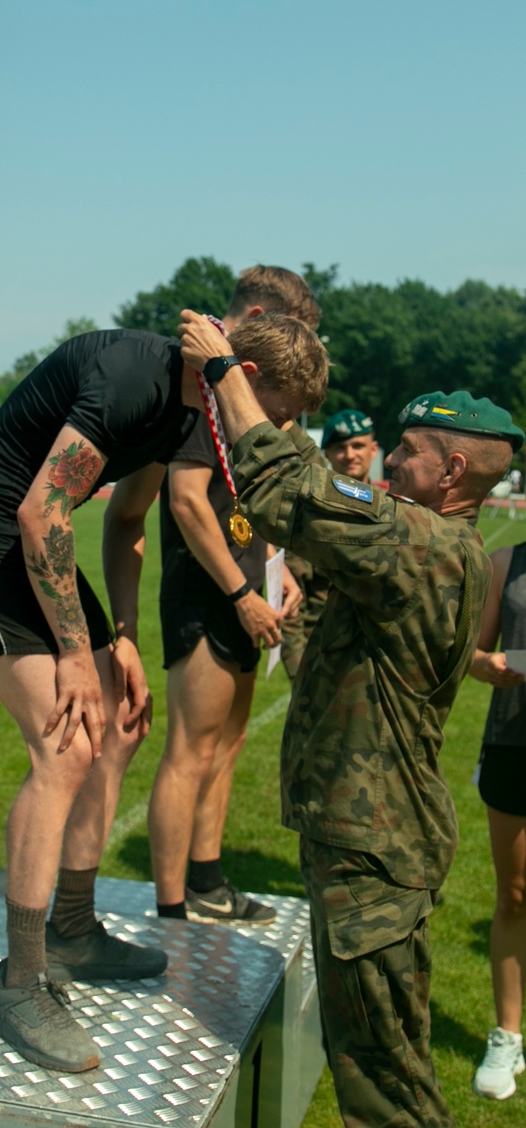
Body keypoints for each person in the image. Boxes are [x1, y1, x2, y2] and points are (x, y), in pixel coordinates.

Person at [176, 306, 523, 1128]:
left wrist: (226, 369)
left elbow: (286, 488)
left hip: (377, 850)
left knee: (385, 1086)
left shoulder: (427, 544)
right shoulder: (428, 548)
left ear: (455, 470)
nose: (388, 462)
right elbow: (318, 632)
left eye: (406, 452)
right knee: (370, 1060)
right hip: (367, 839)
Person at [0, 328, 206, 1073]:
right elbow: (39, 512)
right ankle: (20, 982)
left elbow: (124, 521)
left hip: (32, 544)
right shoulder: (136, 379)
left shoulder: (193, 411)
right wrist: (75, 656)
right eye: (264, 409)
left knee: (116, 721)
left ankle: (75, 930)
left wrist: (121, 638)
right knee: (65, 743)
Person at [143, 307, 327, 927]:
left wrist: (279, 574)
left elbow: (255, 507)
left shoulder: (250, 423)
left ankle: (209, 881)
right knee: (189, 751)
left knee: (227, 745)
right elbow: (189, 503)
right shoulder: (204, 405)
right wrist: (241, 595)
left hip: (248, 598)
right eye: (283, 405)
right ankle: (172, 908)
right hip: (207, 598)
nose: (286, 421)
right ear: (249, 375)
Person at [467, 544, 526, 1099]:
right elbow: (473, 653)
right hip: (513, 743)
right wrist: (491, 666)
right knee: (514, 895)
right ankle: (508, 1034)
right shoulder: (508, 562)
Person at [282, 408, 379, 680]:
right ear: (326, 454)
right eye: (340, 448)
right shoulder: (311, 515)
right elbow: (291, 605)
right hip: (322, 659)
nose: (350, 455)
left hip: (375, 664)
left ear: (374, 448)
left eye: (357, 445)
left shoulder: (393, 510)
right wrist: (299, 674)